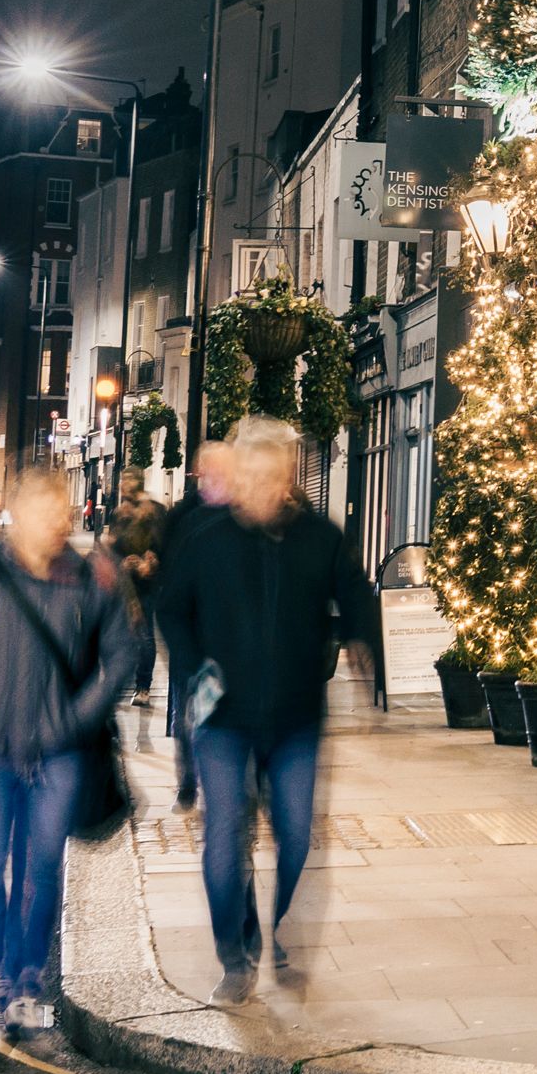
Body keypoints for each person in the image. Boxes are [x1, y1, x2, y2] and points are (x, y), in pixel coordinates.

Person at [151, 415, 375, 1004]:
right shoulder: (204, 537)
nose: (257, 486)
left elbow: (354, 590)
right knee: (225, 836)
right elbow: (171, 608)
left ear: (287, 478)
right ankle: (235, 953)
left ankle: (269, 932)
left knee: (296, 836)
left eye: (269, 475)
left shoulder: (319, 539)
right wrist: (196, 664)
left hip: (297, 717)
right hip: (223, 719)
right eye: (247, 473)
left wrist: (361, 639)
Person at [0, 464, 145, 1031]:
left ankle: (26, 979)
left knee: (41, 870)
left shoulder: (91, 580)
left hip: (59, 752)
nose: (58, 523)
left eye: (62, 512)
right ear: (17, 517)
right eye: (46, 512)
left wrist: (77, 715)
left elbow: (122, 653)